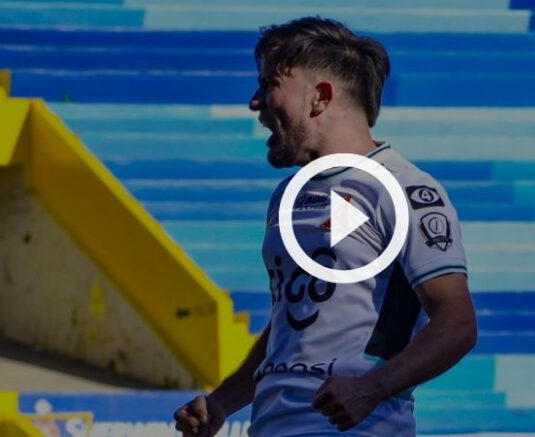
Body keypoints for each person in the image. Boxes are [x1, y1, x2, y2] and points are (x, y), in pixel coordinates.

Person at [174, 16, 477, 437]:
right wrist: (221, 403)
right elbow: (293, 323)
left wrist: (371, 389)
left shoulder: (404, 189)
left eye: (269, 84)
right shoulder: (288, 195)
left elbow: (457, 324)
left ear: (320, 96)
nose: (255, 102)